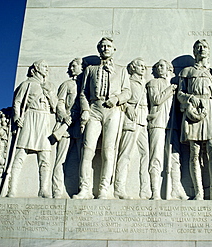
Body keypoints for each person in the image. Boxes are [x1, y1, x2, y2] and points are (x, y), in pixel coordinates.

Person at [73, 37, 131, 199]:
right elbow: (83, 93)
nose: (105, 48)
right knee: (88, 149)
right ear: (99, 49)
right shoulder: (90, 70)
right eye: (103, 46)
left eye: (108, 46)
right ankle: (84, 188)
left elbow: (128, 92)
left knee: (108, 150)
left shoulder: (121, 70)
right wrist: (85, 109)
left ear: (114, 49)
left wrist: (117, 99)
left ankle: (104, 188)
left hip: (112, 110)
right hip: (94, 109)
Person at [177, 39, 212, 200]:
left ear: (209, 51)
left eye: (204, 47)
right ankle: (199, 191)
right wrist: (191, 98)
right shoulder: (187, 71)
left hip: (211, 110)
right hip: (193, 112)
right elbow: (180, 94)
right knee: (194, 152)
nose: (201, 49)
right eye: (198, 47)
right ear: (194, 52)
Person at [8, 60, 57, 198]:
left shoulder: (50, 86)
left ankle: (43, 189)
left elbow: (54, 106)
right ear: (36, 69)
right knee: (20, 155)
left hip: (44, 119)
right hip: (30, 117)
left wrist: (49, 93)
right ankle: (12, 189)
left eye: (48, 66)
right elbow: (17, 102)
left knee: (45, 157)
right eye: (44, 66)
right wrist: (17, 117)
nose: (47, 68)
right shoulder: (27, 84)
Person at [147, 59, 187, 200]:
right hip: (157, 123)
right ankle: (155, 191)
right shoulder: (153, 83)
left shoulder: (173, 85)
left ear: (168, 69)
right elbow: (156, 99)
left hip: (172, 124)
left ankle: (175, 188)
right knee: (156, 157)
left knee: (174, 157)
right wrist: (170, 89)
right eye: (157, 66)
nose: (159, 68)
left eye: (162, 66)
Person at [114, 58, 150, 199]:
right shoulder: (128, 81)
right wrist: (127, 107)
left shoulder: (143, 83)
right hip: (130, 119)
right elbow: (120, 97)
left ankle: (145, 190)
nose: (142, 68)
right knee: (125, 153)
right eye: (139, 66)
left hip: (143, 119)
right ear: (133, 67)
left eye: (143, 66)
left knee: (145, 154)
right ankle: (119, 187)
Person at [51, 58, 83, 198]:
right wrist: (64, 116)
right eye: (71, 66)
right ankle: (57, 190)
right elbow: (60, 102)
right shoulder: (67, 84)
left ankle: (82, 190)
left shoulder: (86, 85)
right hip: (67, 126)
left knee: (84, 160)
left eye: (74, 66)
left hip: (81, 127)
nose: (71, 69)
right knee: (60, 160)